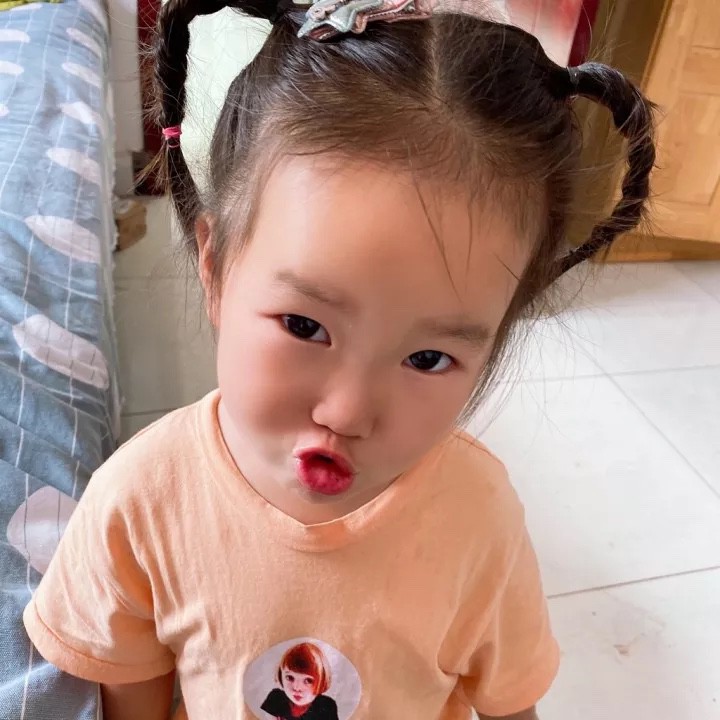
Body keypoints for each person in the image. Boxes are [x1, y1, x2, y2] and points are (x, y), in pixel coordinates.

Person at [23, 1, 656, 719]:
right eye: (305, 325)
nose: (349, 412)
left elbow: (510, 702)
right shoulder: (140, 501)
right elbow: (128, 697)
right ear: (216, 269)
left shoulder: (480, 517)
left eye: (427, 357)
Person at [261, 642, 339, 720]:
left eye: (308, 680)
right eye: (289, 677)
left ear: (321, 681)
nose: (297, 688)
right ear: (281, 675)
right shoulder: (276, 698)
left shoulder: (326, 706)